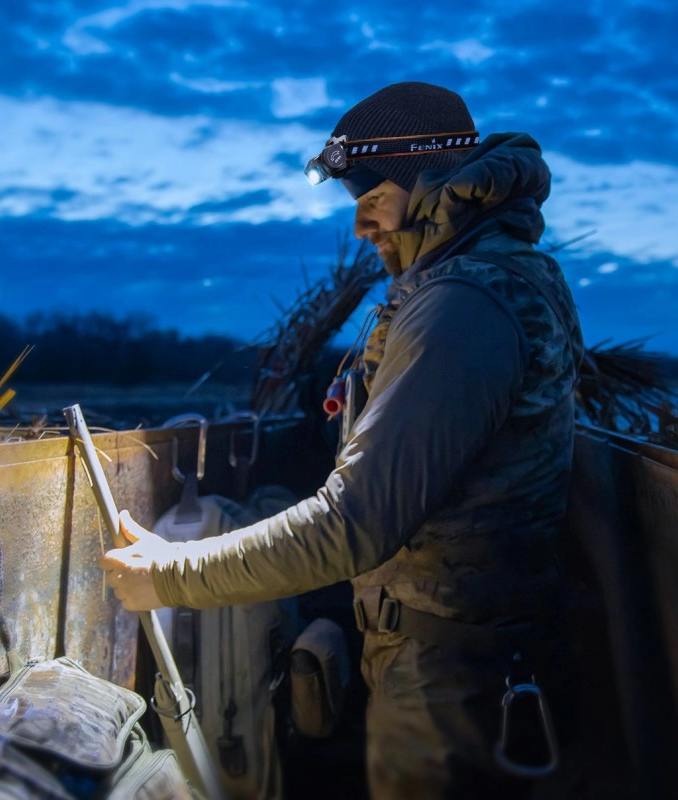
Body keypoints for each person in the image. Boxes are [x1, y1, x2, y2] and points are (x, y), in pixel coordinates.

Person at [100, 81, 584, 799]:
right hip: (447, 662)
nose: (360, 226)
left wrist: (172, 574)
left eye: (370, 196)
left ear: (426, 179)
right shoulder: (470, 283)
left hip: (451, 683)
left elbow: (354, 521)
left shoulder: (464, 305)